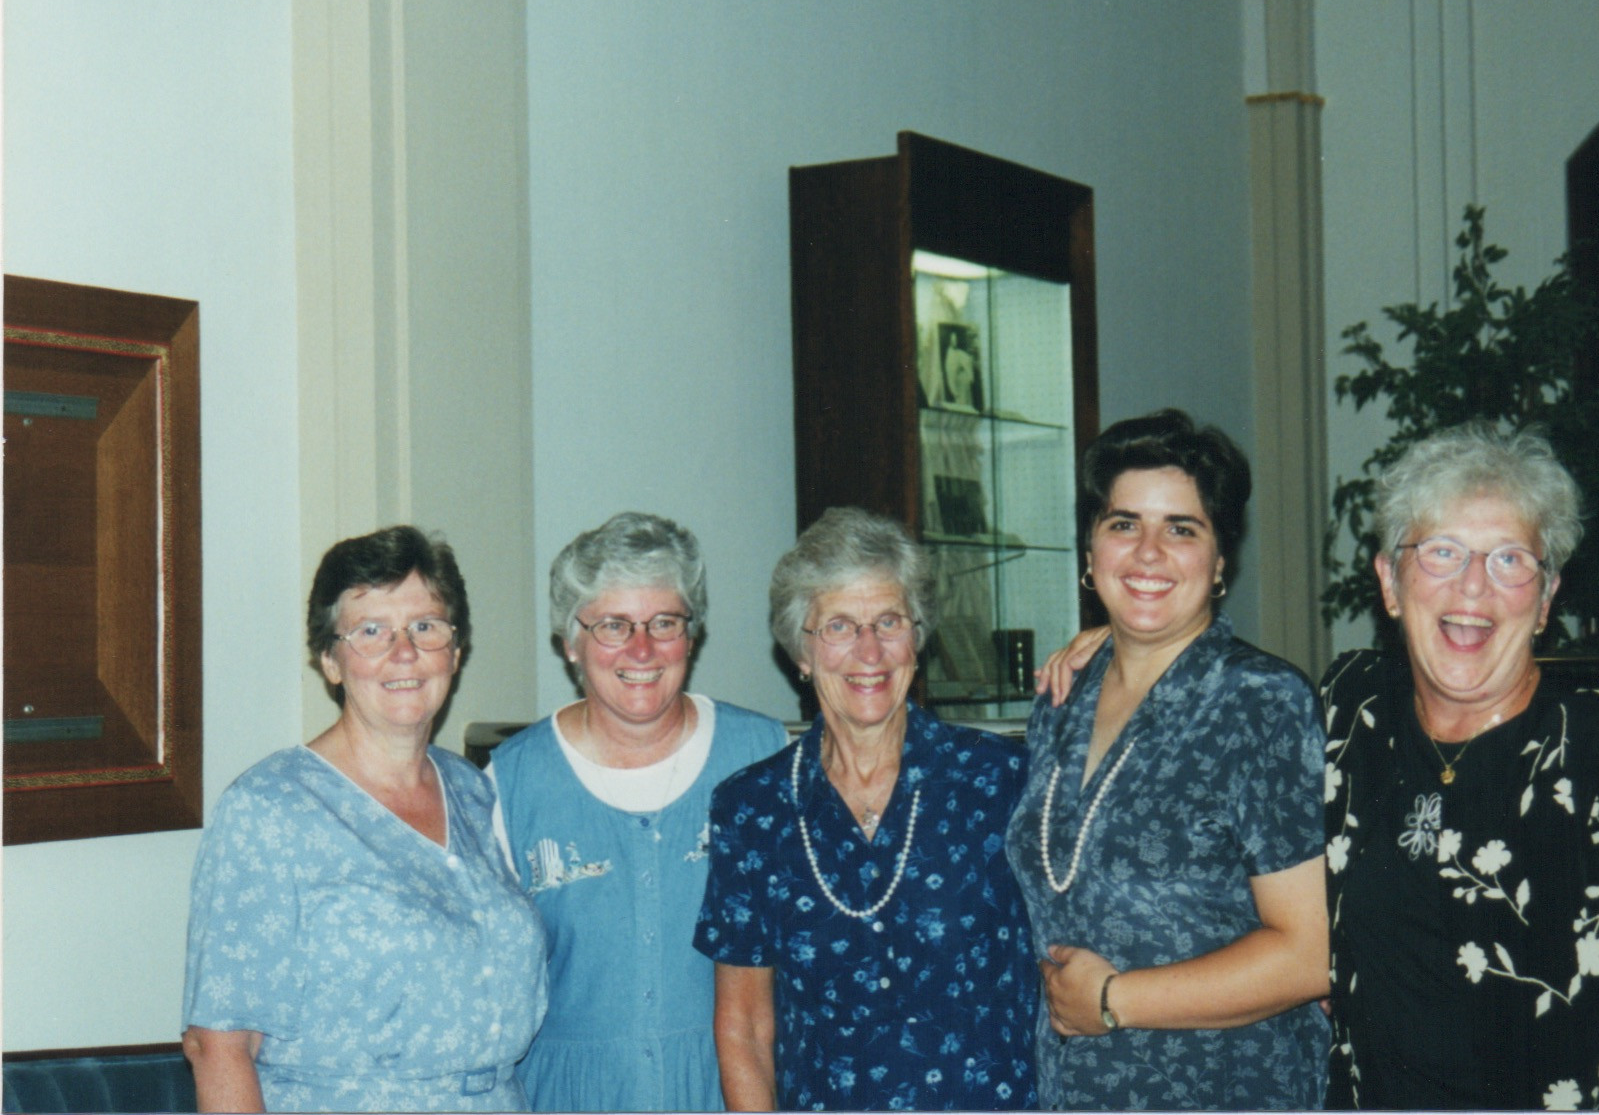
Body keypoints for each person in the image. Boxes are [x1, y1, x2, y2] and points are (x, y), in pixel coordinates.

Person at [1320, 422, 1599, 1109]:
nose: (1472, 586)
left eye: (1509, 559)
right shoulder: (1347, 710)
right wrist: (1116, 657)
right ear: (1389, 580)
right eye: (1440, 551)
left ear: (1544, 599)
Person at [1009, 409, 1329, 1110]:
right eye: (1123, 523)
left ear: (1219, 563)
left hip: (1226, 1085)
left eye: (1181, 528)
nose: (1147, 551)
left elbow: (1306, 954)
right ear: (1090, 552)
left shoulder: (1259, 703)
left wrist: (1115, 999)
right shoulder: (1061, 696)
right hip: (1075, 1089)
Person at [181, 526, 548, 1113]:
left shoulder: (475, 793)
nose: (403, 653)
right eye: (370, 631)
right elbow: (217, 1045)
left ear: (455, 651)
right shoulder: (270, 810)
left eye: (425, 626)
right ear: (330, 660)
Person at [695, 506, 1038, 1110]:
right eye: (839, 627)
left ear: (917, 636)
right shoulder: (752, 809)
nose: (870, 650)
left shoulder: (999, 780)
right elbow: (744, 1025)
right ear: (801, 653)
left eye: (888, 621)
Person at [487, 513, 785, 1111]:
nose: (642, 648)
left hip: (730, 1091)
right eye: (613, 626)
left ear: (691, 635)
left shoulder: (764, 754)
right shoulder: (510, 781)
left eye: (664, 623)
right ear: (570, 642)